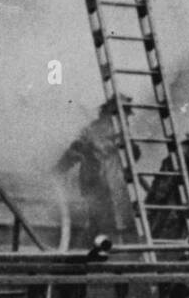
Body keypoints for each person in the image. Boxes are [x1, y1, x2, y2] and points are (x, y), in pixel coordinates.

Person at [55, 97, 139, 246]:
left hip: (101, 184)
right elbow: (135, 154)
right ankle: (94, 251)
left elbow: (74, 151)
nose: (126, 118)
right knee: (106, 222)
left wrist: (58, 170)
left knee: (100, 221)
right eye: (124, 114)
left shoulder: (95, 129)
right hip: (104, 184)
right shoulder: (118, 132)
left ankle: (88, 250)